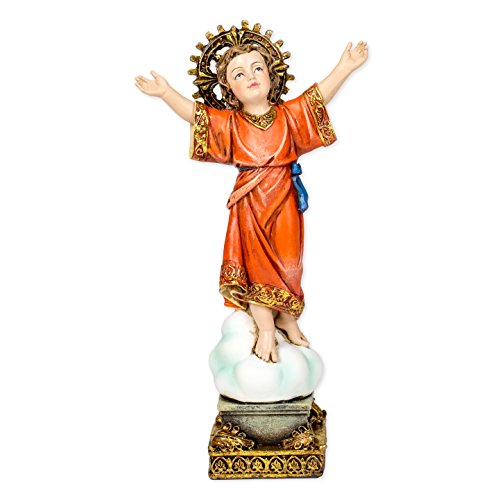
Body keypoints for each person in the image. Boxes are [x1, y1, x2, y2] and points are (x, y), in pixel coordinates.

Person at [135, 40, 368, 362]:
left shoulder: (287, 115)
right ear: (229, 88)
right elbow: (197, 115)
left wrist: (345, 67)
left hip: (285, 198)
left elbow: (316, 98)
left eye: (257, 68)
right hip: (251, 203)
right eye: (239, 74)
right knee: (256, 264)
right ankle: (266, 327)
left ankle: (287, 318)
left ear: (272, 75)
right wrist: (166, 93)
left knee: (290, 262)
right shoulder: (231, 123)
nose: (251, 76)